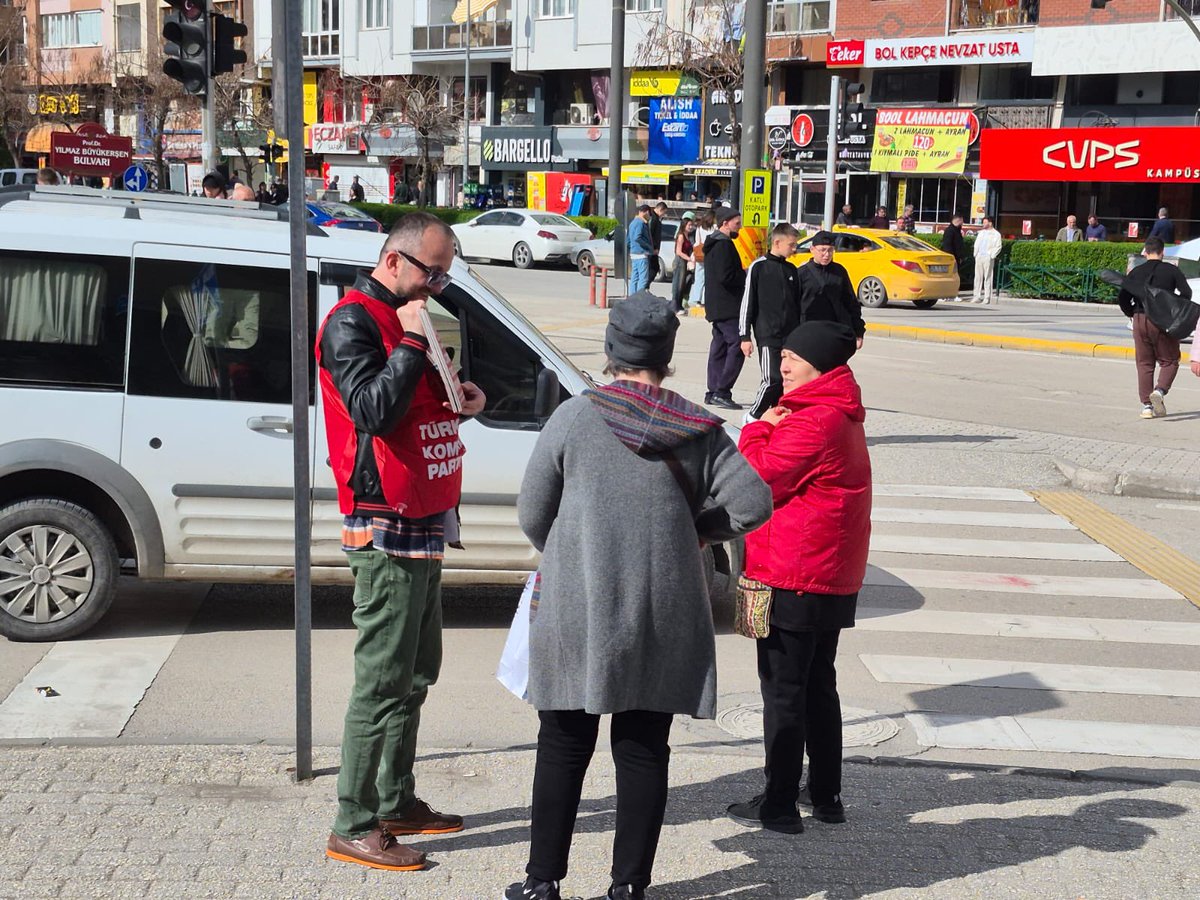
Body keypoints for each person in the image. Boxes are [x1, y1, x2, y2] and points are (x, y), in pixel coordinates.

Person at [507, 292, 772, 900]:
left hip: (577, 606)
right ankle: (628, 890)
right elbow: (754, 503)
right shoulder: (700, 430)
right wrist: (697, 532)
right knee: (645, 748)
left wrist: (573, 552)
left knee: (563, 743)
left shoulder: (575, 417)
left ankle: (541, 883)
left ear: (610, 350)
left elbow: (531, 512)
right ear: (668, 356)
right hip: (663, 610)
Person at [315, 212, 487, 872]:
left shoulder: (408, 318)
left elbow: (416, 404)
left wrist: (463, 398)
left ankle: (395, 798)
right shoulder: (354, 322)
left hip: (423, 515)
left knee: (416, 673)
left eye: (445, 275)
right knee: (382, 680)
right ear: (393, 261)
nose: (438, 286)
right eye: (431, 272)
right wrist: (414, 347)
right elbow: (369, 411)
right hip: (384, 522)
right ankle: (353, 821)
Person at [727, 319, 871, 835]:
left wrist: (759, 424)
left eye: (792, 357)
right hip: (824, 573)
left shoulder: (813, 421)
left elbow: (756, 475)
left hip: (796, 574)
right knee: (816, 686)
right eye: (782, 355)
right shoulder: (837, 412)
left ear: (820, 364)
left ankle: (781, 804)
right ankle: (826, 795)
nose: (782, 365)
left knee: (785, 691)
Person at [1118, 236, 1193, 418]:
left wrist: (1131, 313)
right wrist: (1173, 309)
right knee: (1170, 360)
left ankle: (1146, 407)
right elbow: (1186, 293)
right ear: (1163, 252)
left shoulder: (1136, 271)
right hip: (1161, 321)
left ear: (1145, 251)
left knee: (1144, 363)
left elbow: (1122, 297)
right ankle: (1159, 391)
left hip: (1139, 318)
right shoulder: (1171, 270)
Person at [739, 223, 802, 420]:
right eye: (791, 245)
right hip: (767, 334)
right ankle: (752, 415)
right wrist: (744, 336)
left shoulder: (792, 270)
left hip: (790, 336)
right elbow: (747, 303)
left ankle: (777, 420)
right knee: (771, 379)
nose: (794, 249)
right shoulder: (758, 267)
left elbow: (797, 304)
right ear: (777, 242)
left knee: (786, 382)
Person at [703, 207, 748, 410]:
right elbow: (726, 276)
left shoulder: (714, 244)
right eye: (736, 223)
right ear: (725, 223)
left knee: (719, 348)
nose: (739, 227)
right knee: (737, 346)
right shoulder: (723, 246)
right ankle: (722, 391)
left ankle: (713, 391)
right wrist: (745, 274)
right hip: (728, 306)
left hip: (717, 305)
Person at [796, 231, 865, 349]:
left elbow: (851, 303)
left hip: (834, 330)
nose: (826, 254)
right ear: (812, 249)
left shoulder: (839, 271)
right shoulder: (802, 273)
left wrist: (858, 332)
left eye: (830, 250)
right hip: (808, 332)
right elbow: (793, 306)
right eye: (822, 250)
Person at [972, 217, 1003, 304]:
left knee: (988, 277)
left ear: (990, 223)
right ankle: (976, 296)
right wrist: (976, 254)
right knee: (978, 277)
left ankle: (987, 297)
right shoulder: (981, 233)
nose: (983, 224)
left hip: (988, 257)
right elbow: (976, 244)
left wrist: (991, 255)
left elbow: (998, 246)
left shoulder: (996, 234)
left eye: (985, 222)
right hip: (979, 256)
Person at [671, 212, 697, 314]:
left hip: (685, 262)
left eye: (692, 225)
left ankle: (679, 305)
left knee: (683, 284)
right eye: (689, 225)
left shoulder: (688, 235)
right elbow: (678, 251)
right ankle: (675, 306)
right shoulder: (681, 235)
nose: (691, 227)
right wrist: (689, 259)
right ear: (684, 225)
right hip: (680, 261)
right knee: (678, 284)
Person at [689, 210, 714, 310]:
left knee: (699, 278)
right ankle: (705, 300)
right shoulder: (714, 228)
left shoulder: (699, 228)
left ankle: (697, 299)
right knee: (708, 278)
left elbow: (697, 242)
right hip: (710, 255)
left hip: (700, 255)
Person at [627, 205, 655, 293]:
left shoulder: (632, 223)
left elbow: (628, 240)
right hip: (641, 254)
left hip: (634, 254)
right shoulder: (640, 223)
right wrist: (649, 247)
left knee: (634, 278)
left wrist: (630, 249)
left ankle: (632, 298)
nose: (649, 216)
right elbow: (637, 237)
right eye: (649, 214)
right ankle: (640, 298)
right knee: (643, 279)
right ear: (646, 212)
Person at [941, 215, 966, 299]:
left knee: (955, 277)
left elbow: (959, 245)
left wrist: (961, 256)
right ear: (958, 220)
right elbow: (947, 246)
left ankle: (952, 293)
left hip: (957, 258)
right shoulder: (950, 231)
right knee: (950, 277)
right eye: (962, 221)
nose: (963, 223)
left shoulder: (957, 230)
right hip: (951, 259)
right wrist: (951, 258)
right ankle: (947, 294)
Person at [647, 202, 667, 282]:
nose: (664, 214)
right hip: (651, 249)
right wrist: (654, 248)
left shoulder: (656, 218)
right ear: (660, 209)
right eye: (664, 212)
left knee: (654, 268)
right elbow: (650, 234)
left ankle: (645, 287)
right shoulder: (653, 218)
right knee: (652, 269)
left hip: (653, 249)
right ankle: (645, 287)